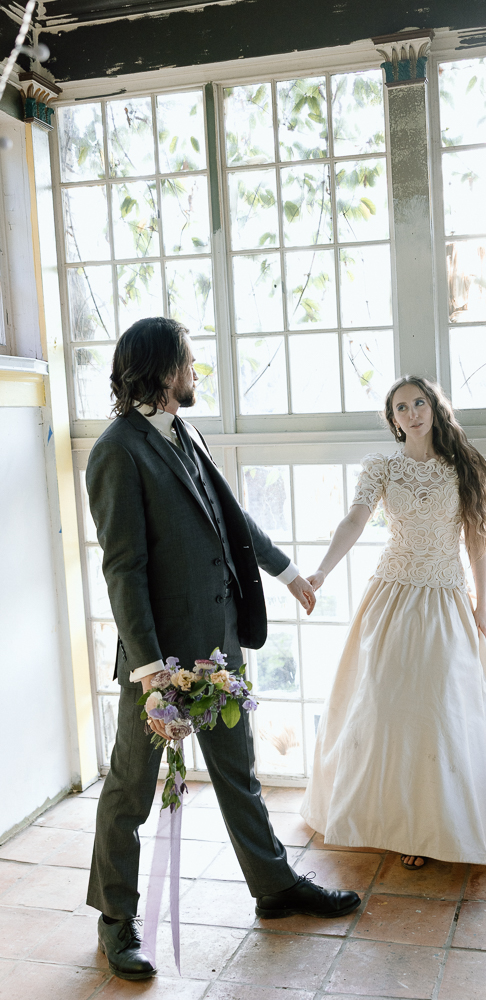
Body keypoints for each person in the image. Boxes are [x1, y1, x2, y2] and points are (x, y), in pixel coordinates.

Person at [87, 317, 360, 981]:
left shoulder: (186, 431)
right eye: (188, 361)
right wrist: (152, 673)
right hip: (159, 663)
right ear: (162, 371)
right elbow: (123, 570)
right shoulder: (116, 452)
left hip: (219, 645)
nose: (195, 370)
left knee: (239, 775)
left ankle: (275, 886)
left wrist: (287, 572)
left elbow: (229, 517)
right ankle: (116, 920)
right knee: (131, 791)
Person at [300, 375, 486, 869]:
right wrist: (321, 571)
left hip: (445, 597)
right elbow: (354, 520)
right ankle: (398, 822)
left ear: (434, 408)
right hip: (392, 595)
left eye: (419, 403)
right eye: (401, 408)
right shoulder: (382, 467)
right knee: (386, 705)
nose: (412, 413)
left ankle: (433, 827)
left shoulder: (462, 466)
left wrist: (483, 604)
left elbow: (476, 539)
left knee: (438, 708)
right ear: (393, 420)